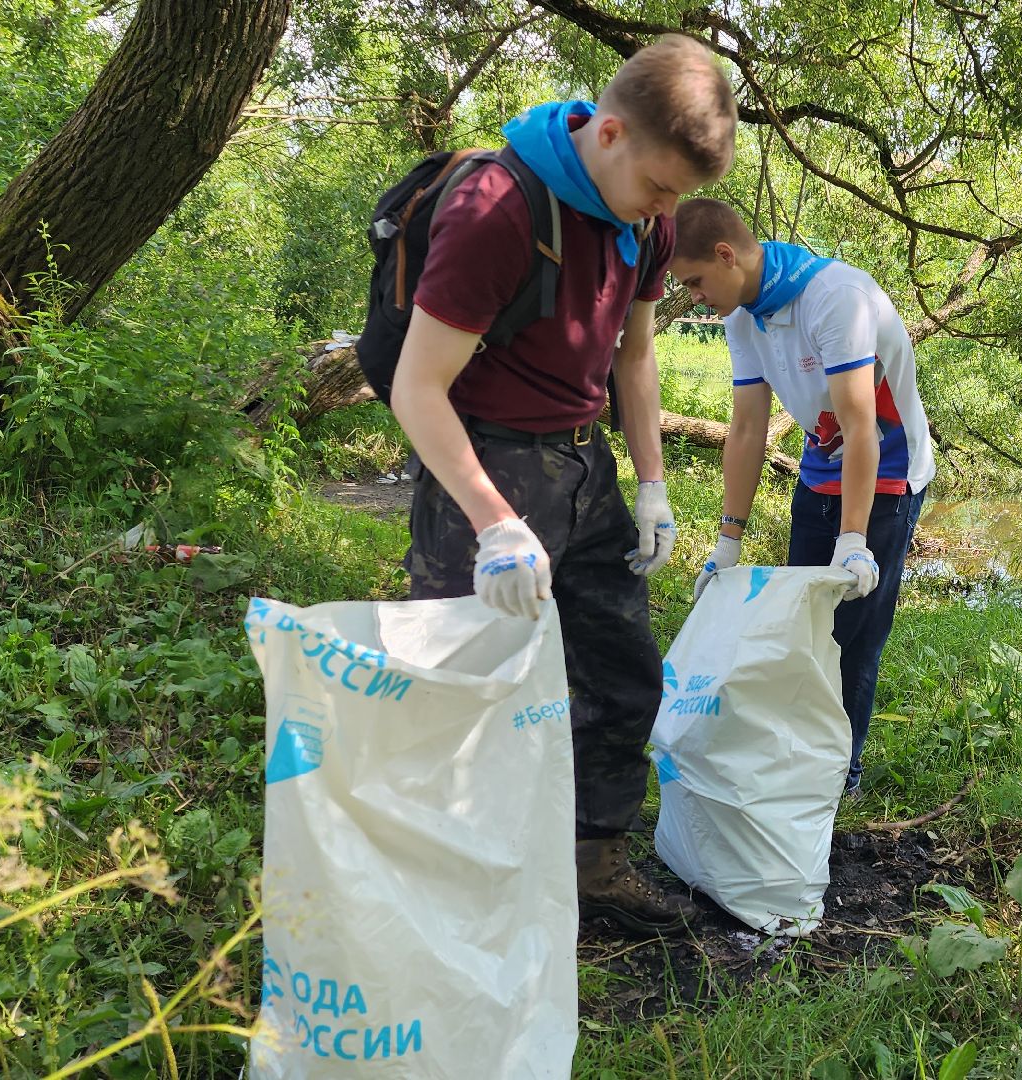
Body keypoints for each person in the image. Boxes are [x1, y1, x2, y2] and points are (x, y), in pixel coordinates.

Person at [389, 36, 736, 934]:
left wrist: (652, 483)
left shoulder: (649, 221)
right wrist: (496, 523)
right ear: (610, 133)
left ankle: (591, 869)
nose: (668, 211)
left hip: (586, 467)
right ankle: (443, 899)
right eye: (661, 187)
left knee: (625, 677)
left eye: (680, 197)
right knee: (460, 691)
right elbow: (416, 390)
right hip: (486, 462)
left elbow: (638, 352)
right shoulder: (498, 208)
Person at [667, 198, 934, 798]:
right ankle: (800, 752)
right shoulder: (742, 315)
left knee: (854, 633)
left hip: (887, 470)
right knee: (805, 624)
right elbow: (745, 429)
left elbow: (863, 425)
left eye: (694, 281)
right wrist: (727, 541)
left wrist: (855, 541)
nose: (693, 297)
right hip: (821, 464)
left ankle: (845, 771)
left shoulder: (835, 297)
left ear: (726, 255)